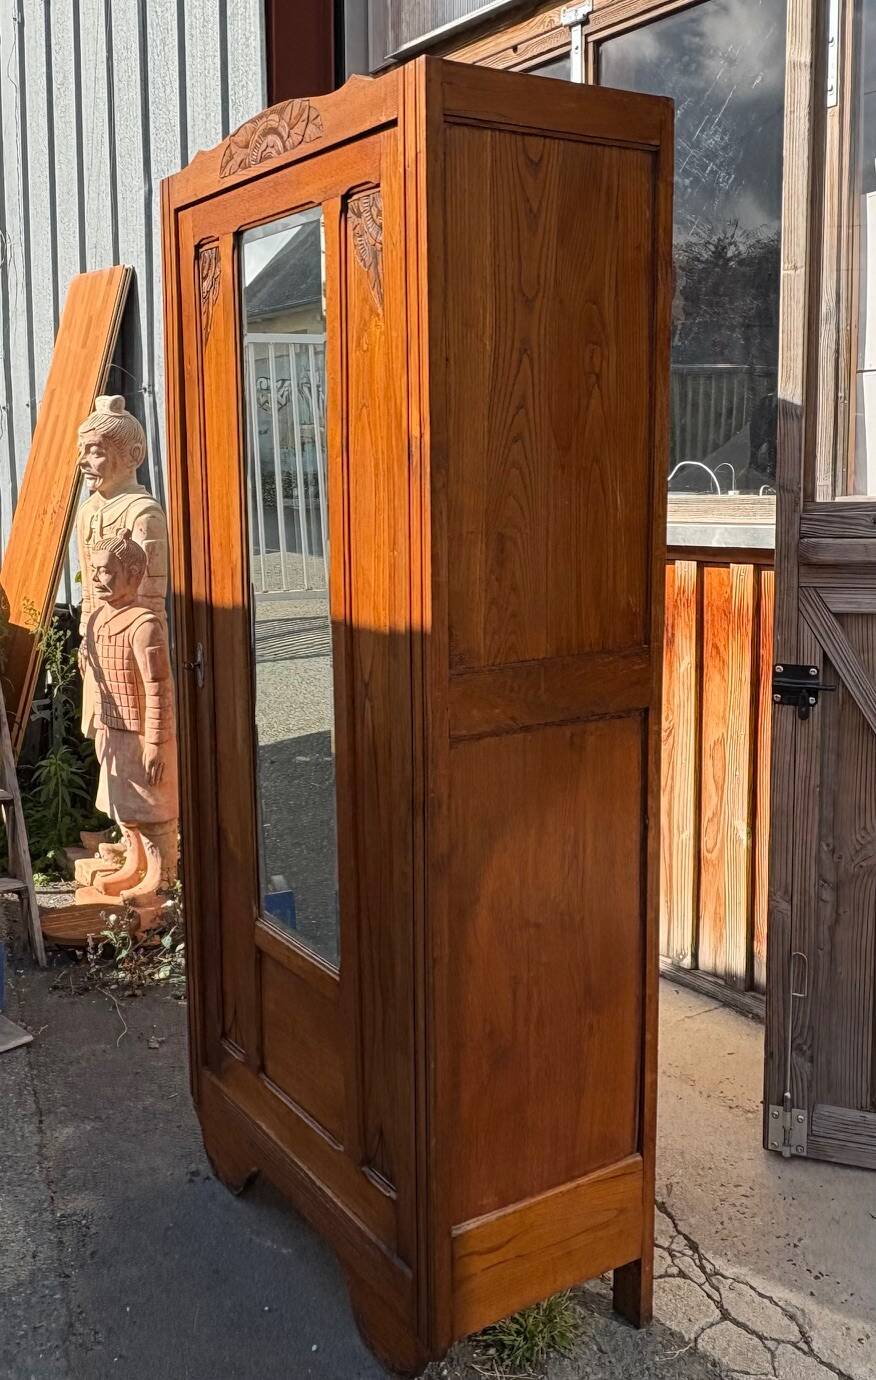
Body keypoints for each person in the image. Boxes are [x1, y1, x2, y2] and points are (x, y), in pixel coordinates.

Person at [75, 530, 178, 925]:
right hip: (114, 728)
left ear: (134, 574)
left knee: (152, 807)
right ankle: (134, 865)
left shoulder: (144, 625)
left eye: (107, 572)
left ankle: (160, 875)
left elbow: (158, 688)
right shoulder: (100, 617)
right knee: (125, 806)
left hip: (142, 734)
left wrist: (155, 741)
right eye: (95, 572)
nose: (99, 579)